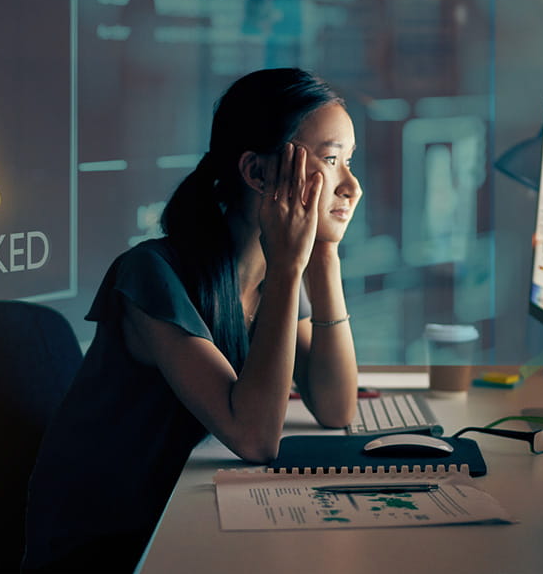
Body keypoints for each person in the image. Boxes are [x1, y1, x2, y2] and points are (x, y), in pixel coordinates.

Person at [22, 68, 362, 572]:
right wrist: (292, 268)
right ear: (257, 172)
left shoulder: (271, 277)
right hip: (112, 547)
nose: (351, 186)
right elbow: (254, 438)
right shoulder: (152, 274)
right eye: (331, 160)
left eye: (349, 162)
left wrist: (325, 255)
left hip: (183, 518)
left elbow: (336, 407)